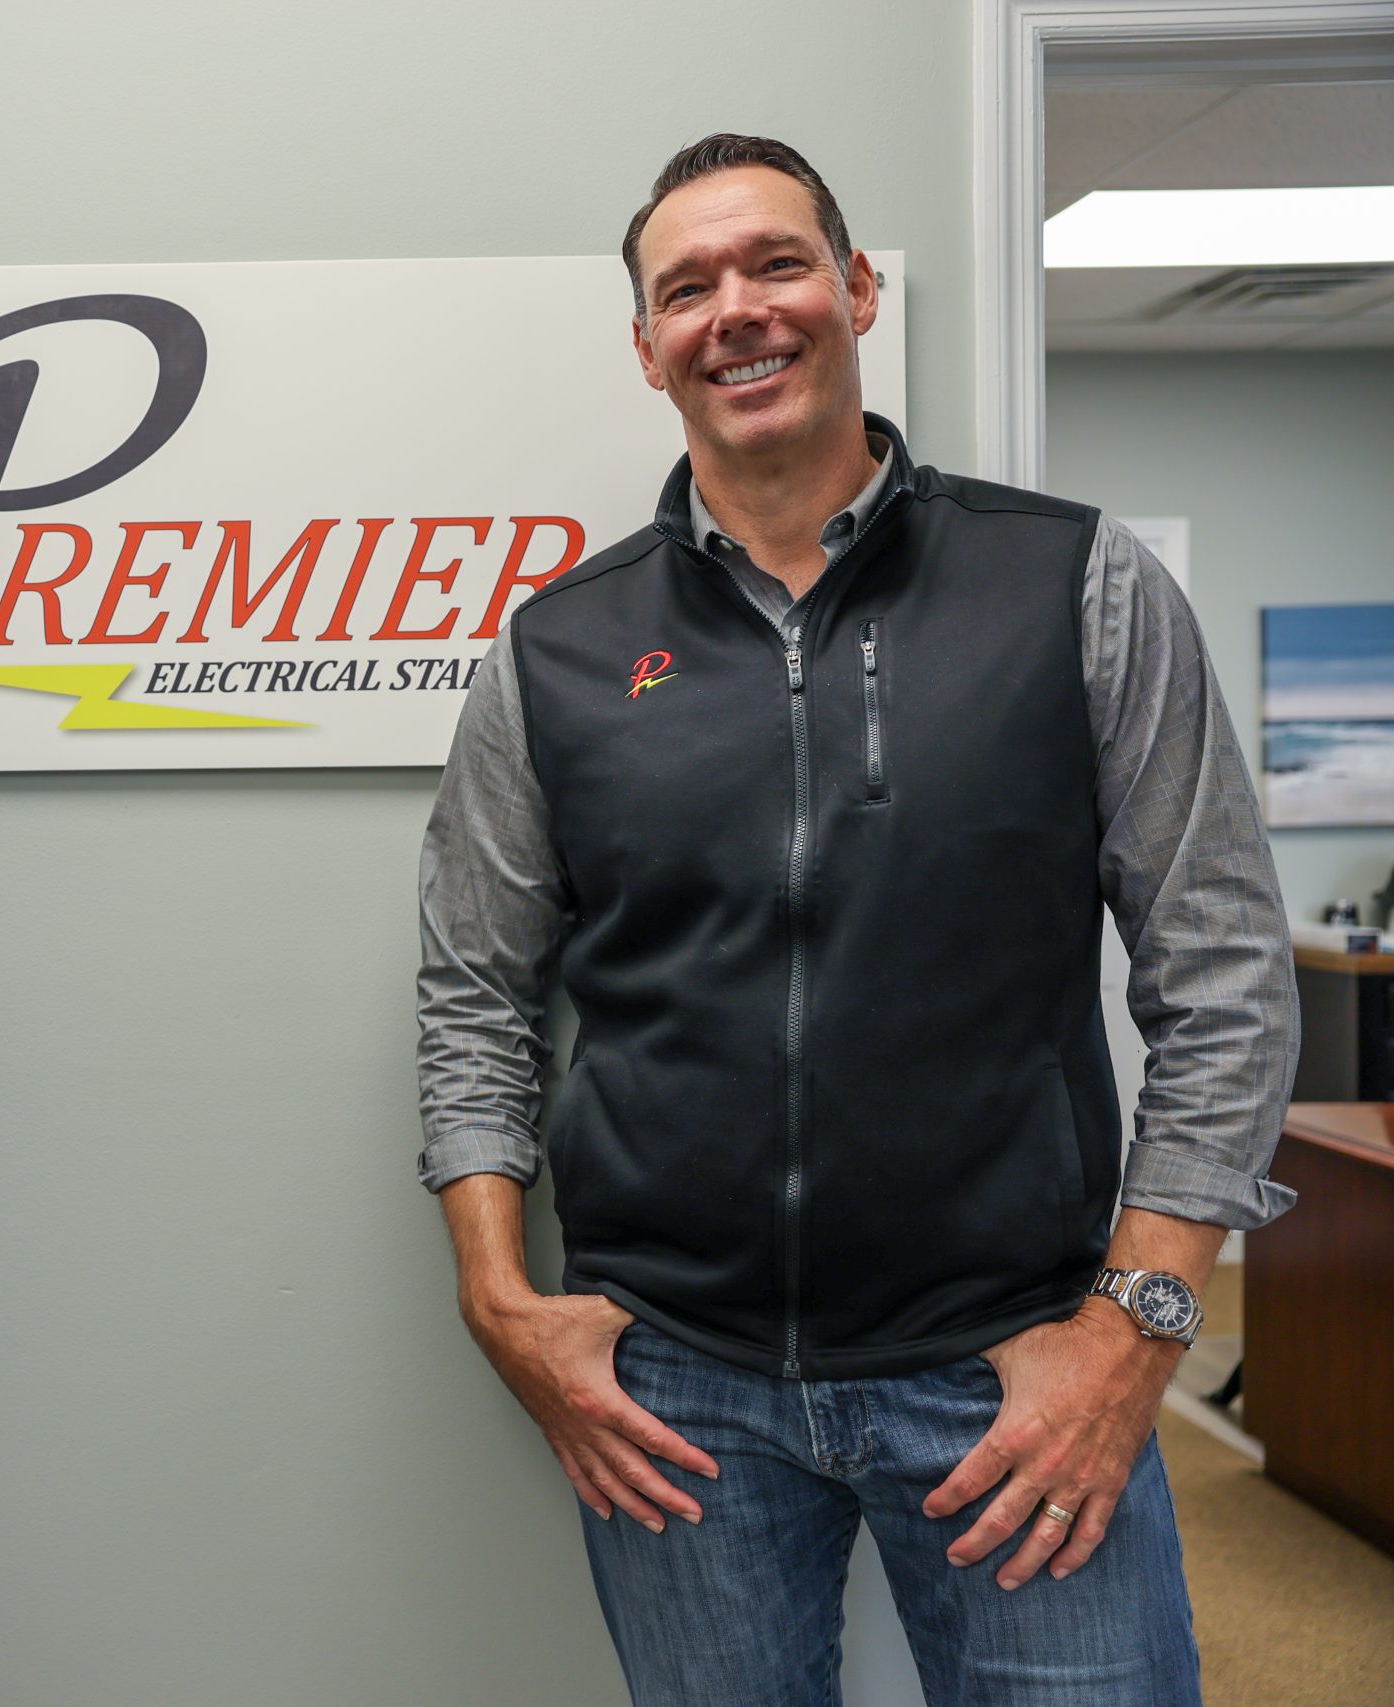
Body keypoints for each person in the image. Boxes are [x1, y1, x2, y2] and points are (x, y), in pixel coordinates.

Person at [416, 135, 1294, 1706]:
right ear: (645, 349)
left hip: (1013, 1368)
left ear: (858, 288)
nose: (735, 311)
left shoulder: (1071, 584)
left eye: (776, 263)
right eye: (686, 288)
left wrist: (1139, 1327)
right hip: (672, 1389)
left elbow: (1223, 976)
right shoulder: (556, 650)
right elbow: (473, 995)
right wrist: (501, 1299)